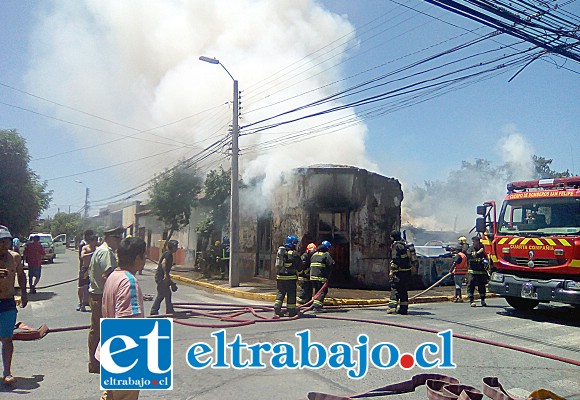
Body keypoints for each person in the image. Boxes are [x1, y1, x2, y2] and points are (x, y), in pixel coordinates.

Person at [97, 236, 146, 400]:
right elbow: (127, 325)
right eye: (144, 256)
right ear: (138, 257)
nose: (145, 260)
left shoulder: (114, 276)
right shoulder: (129, 282)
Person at [87, 226, 123, 374]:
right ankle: (98, 362)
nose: (119, 241)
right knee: (103, 330)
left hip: (96, 295)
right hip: (101, 296)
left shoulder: (100, 250)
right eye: (117, 238)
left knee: (97, 330)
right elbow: (107, 276)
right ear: (108, 238)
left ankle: (95, 363)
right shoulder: (106, 253)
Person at [0, 225, 28, 385]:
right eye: (1, 242)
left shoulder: (15, 257)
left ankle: (7, 372)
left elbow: (21, 275)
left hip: (8, 302)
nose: (4, 245)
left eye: (6, 241)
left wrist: (24, 293)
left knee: (7, 338)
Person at [273, 235, 302, 317]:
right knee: (291, 294)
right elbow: (300, 266)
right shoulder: (294, 254)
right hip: (290, 278)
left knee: (280, 292)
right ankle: (291, 311)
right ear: (293, 244)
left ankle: (277, 308)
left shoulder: (281, 252)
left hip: (280, 277)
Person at [150, 240, 178, 316]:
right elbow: (163, 263)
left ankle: (169, 310)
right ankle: (154, 310)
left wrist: (171, 282)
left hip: (161, 276)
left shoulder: (168, 254)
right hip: (160, 277)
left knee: (167, 293)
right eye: (176, 246)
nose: (177, 248)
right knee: (162, 294)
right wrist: (165, 275)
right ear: (172, 247)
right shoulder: (168, 254)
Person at [387, 230, 412, 315]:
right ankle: (403, 309)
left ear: (393, 237)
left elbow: (395, 260)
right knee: (404, 290)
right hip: (407, 272)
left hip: (398, 272)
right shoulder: (405, 244)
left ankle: (392, 308)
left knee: (395, 288)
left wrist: (392, 271)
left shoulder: (396, 246)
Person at [310, 240, 335, 313]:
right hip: (320, 277)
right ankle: (317, 306)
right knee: (323, 291)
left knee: (317, 291)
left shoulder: (314, 254)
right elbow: (330, 264)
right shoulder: (326, 255)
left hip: (312, 277)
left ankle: (315, 304)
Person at [77, 230, 97, 312]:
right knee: (81, 287)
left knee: (89, 288)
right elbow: (82, 256)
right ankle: (81, 303)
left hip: (93, 270)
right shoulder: (84, 246)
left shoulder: (97, 248)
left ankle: (86, 303)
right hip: (84, 269)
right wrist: (92, 254)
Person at [466, 236, 488, 307]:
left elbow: (488, 256)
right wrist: (478, 252)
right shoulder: (470, 248)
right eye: (473, 241)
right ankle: (471, 300)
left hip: (482, 272)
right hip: (472, 271)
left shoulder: (484, 248)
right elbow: (470, 255)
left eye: (474, 241)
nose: (473, 243)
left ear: (478, 241)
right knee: (471, 286)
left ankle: (483, 300)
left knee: (482, 287)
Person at [449, 237, 469, 302]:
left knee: (458, 285)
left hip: (458, 272)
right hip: (463, 273)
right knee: (459, 285)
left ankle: (459, 297)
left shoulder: (458, 255)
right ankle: (456, 297)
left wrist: (451, 270)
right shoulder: (464, 255)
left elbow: (455, 263)